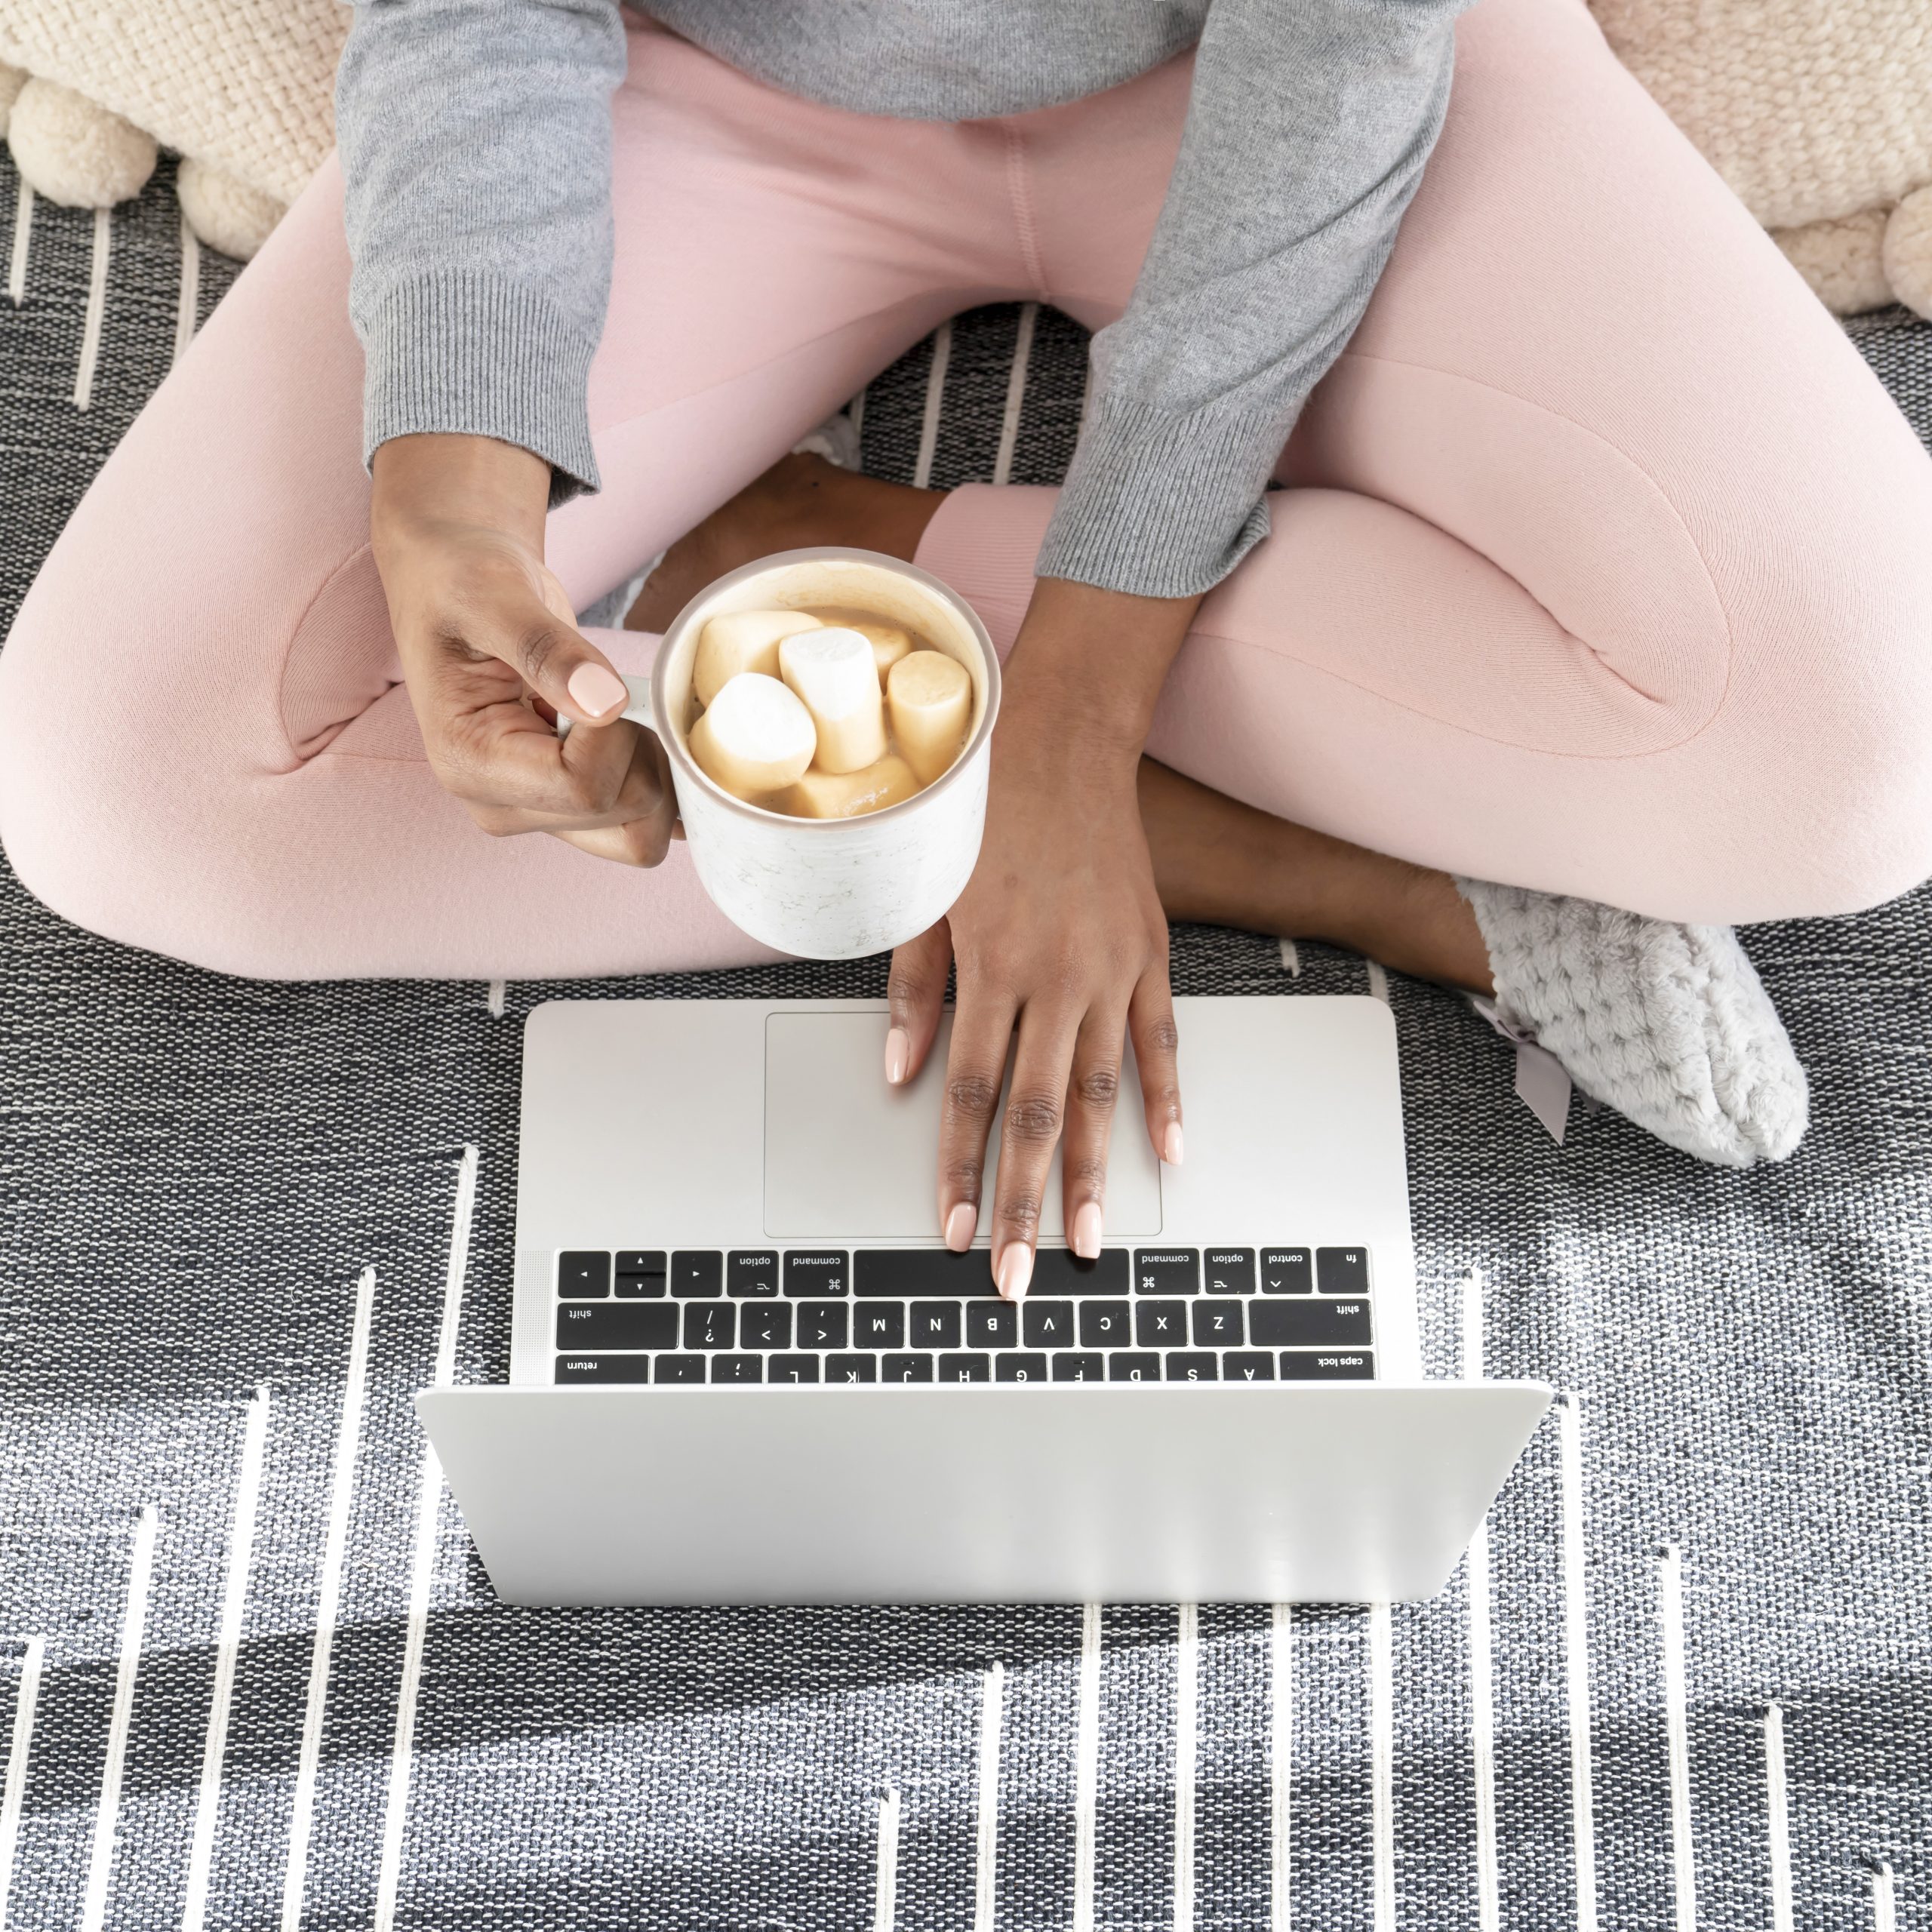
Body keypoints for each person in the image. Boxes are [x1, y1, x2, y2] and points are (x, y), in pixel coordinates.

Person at [4, 0, 1931, 1300]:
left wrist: (1077, 716)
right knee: (131, 778)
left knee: (1864, 749)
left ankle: (852, 555)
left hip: (1298, 64)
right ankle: (1313, 856)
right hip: (700, 83)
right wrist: (451, 473)